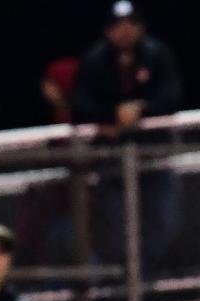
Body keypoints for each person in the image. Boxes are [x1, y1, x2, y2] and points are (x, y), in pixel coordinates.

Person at [71, 1, 182, 269]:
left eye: (131, 24)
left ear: (140, 27)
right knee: (117, 228)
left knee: (162, 222)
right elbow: (80, 106)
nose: (125, 31)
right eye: (118, 26)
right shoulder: (95, 61)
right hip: (112, 161)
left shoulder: (157, 54)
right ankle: (125, 285)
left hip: (153, 157)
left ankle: (148, 279)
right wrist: (113, 114)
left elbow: (172, 96)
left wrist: (142, 110)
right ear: (108, 30)